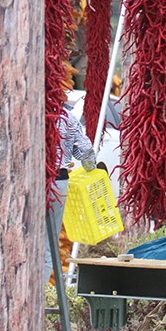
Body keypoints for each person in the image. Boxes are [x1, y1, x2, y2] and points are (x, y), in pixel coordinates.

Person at [46, 105, 97, 282]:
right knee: (48, 242)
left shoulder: (26, 111)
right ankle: (40, 290)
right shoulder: (66, 116)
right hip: (58, 182)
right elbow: (84, 150)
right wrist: (91, 168)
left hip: (29, 180)